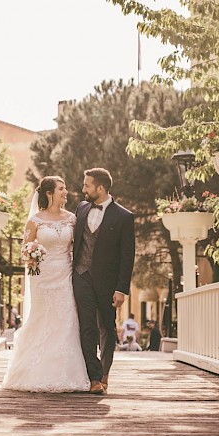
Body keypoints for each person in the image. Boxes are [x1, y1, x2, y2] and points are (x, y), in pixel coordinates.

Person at [1, 176, 90, 392]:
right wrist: (32, 254)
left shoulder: (72, 219)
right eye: (61, 188)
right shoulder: (35, 221)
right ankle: (35, 371)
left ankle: (67, 373)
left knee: (66, 319)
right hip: (42, 278)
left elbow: (79, 248)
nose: (66, 192)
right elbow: (25, 249)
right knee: (43, 319)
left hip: (65, 275)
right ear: (50, 193)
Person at [72, 167, 135, 394]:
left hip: (108, 283)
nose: (83, 189)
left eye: (87, 185)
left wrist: (121, 288)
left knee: (107, 328)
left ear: (100, 188)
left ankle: (105, 370)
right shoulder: (80, 208)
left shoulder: (124, 217)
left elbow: (127, 256)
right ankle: (94, 377)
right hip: (80, 276)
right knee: (86, 326)